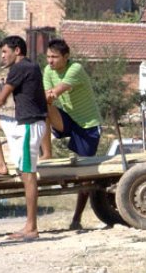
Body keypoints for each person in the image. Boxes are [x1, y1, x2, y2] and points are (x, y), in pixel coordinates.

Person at [0, 35, 47, 241]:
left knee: (28, 176)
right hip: (22, 124)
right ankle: (0, 163)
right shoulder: (30, 67)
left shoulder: (20, 68)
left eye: (5, 52)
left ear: (17, 51)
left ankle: (31, 227)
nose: (2, 56)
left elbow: (1, 100)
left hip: (28, 127)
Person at [43, 38, 102, 230]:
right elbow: (46, 96)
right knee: (43, 106)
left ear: (66, 57)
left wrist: (47, 95)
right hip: (68, 119)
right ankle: (46, 152)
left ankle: (76, 218)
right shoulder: (48, 71)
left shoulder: (75, 69)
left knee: (85, 175)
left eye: (54, 57)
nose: (50, 61)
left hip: (88, 125)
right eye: (48, 56)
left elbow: (55, 93)